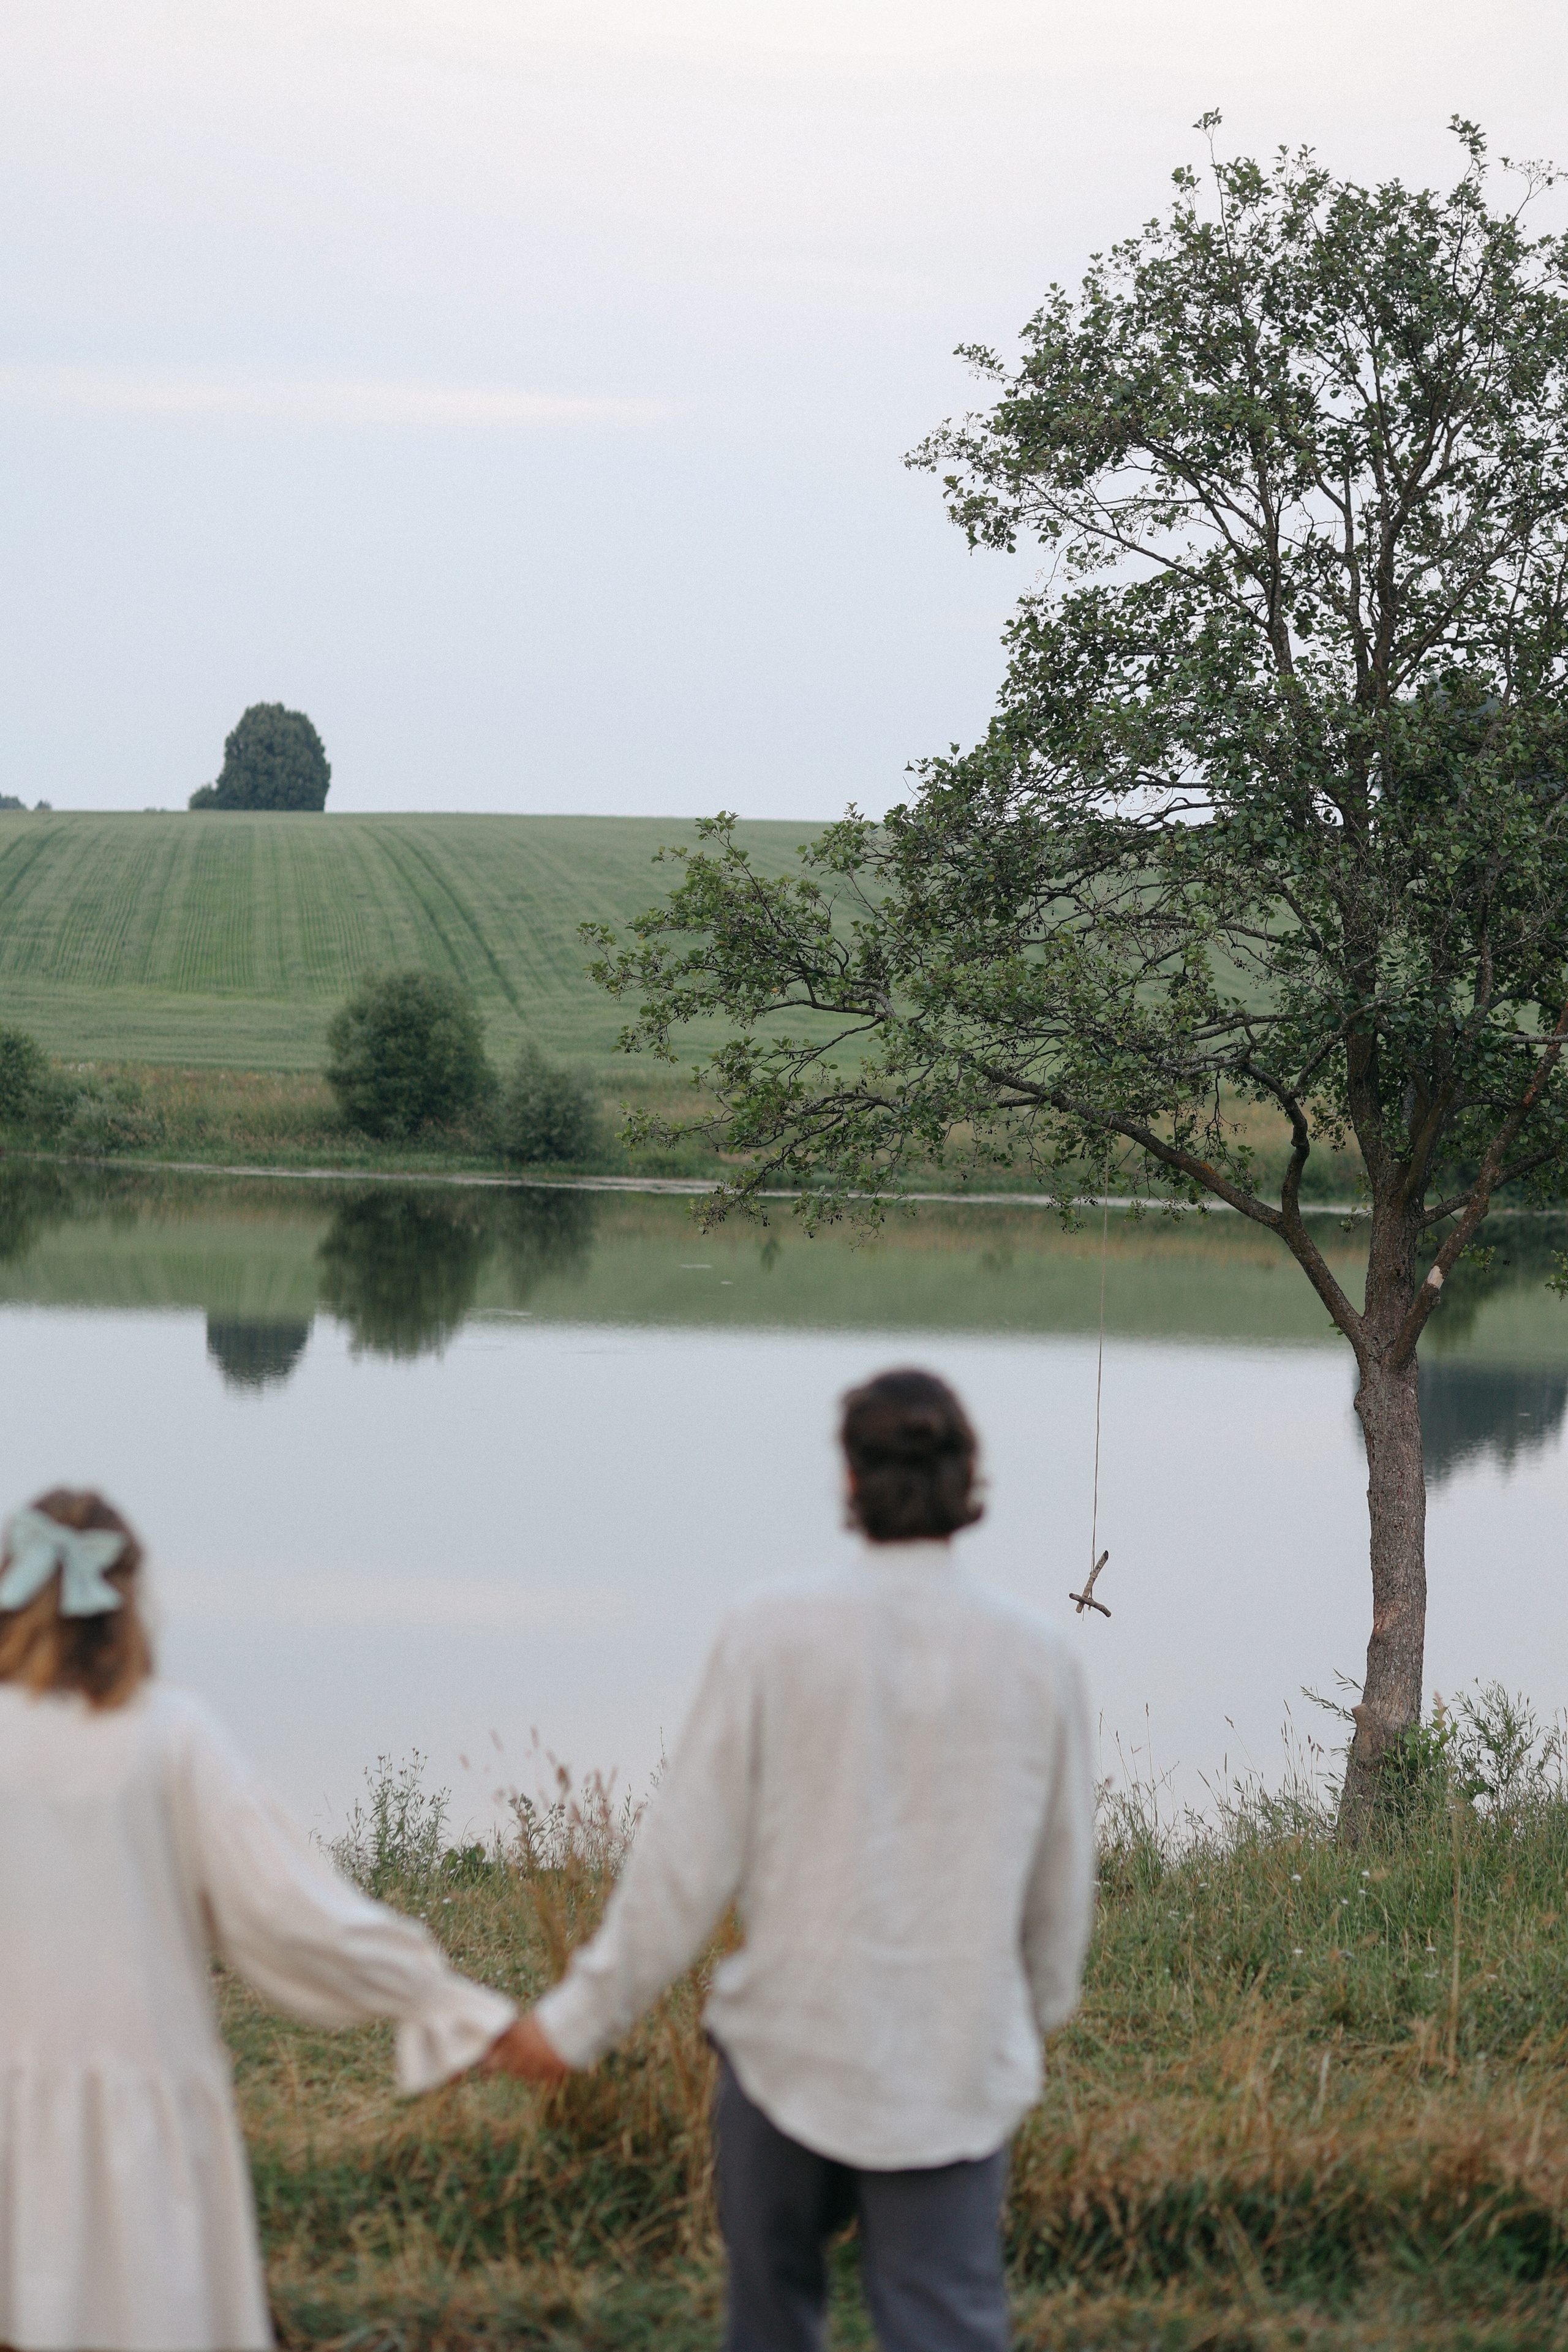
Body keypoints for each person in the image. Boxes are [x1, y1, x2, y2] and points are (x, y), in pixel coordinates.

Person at [491, 1367, 1097, 2352]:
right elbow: (1060, 1891)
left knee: (771, 2323)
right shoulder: (1040, 1659)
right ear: (968, 1481)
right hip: (952, 2063)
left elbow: (683, 1865)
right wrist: (1021, 2021)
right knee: (946, 2325)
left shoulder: (769, 1634)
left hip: (787, 2051)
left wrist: (576, 2023)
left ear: (849, 1480)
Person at [0, 1487, 521, 2352]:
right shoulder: (169, 1736)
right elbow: (287, 1912)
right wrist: (432, 1995)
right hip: (141, 2126)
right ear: (127, 1600)